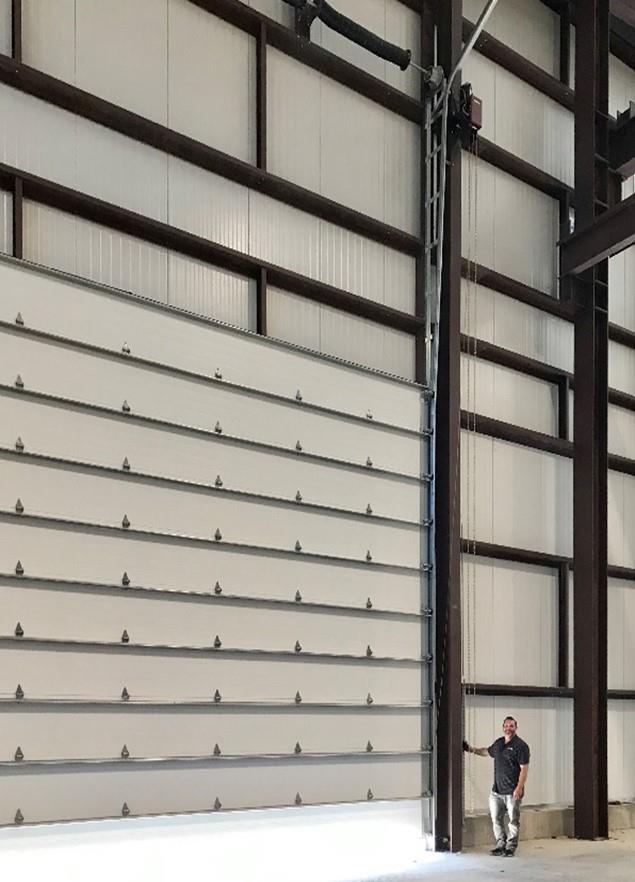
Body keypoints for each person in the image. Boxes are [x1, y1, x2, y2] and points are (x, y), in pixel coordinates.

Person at [463, 716, 530, 857]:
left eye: (511, 726)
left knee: (513, 821)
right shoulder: (499, 744)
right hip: (496, 792)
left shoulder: (521, 746)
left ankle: (510, 847)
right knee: (496, 819)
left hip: (512, 792)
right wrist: (470, 749)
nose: (508, 728)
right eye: (506, 726)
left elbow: (524, 769)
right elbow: (486, 752)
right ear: (503, 727)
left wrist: (519, 788)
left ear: (516, 728)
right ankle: (500, 845)